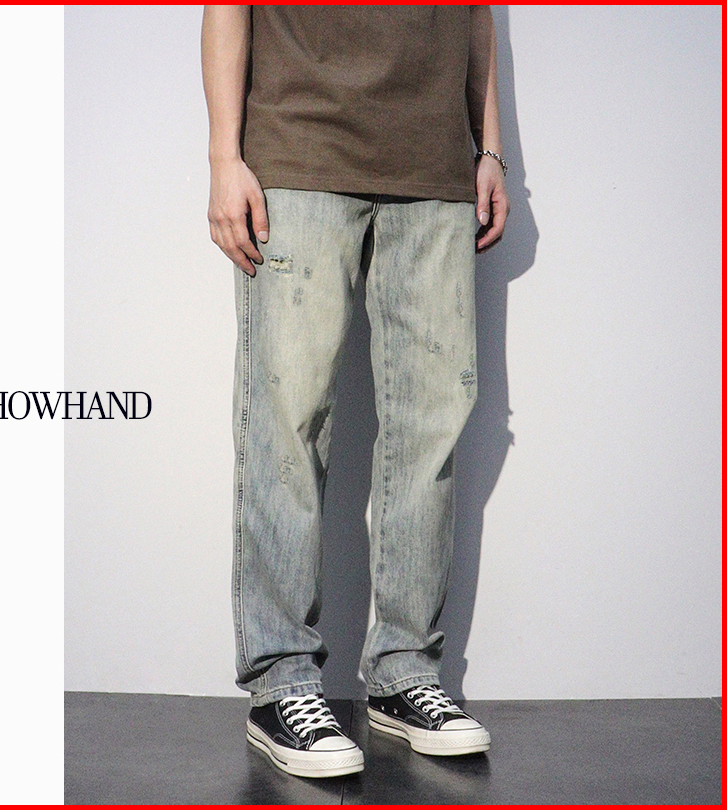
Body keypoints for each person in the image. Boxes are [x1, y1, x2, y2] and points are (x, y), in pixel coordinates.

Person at [201, 6, 509, 779]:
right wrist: (223, 157)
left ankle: (404, 675)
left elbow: (477, 14)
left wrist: (490, 149)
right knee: (287, 424)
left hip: (435, 163)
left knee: (432, 430)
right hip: (300, 149)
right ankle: (281, 683)